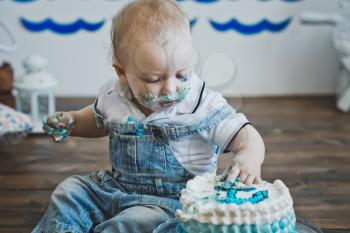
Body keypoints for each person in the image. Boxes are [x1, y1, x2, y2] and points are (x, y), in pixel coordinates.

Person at [33, 0, 265, 232]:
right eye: (154, 79)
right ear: (122, 72)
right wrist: (73, 121)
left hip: (176, 202)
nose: (170, 88)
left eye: (182, 74)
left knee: (135, 222)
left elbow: (246, 135)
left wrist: (250, 156)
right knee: (70, 191)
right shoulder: (114, 95)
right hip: (116, 189)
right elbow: (97, 121)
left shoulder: (201, 103)